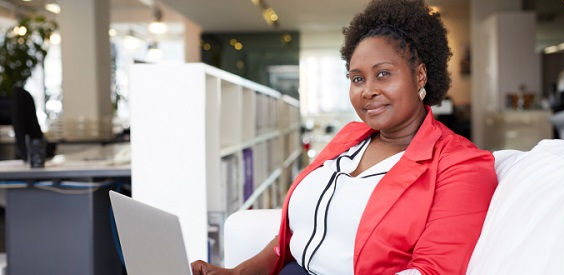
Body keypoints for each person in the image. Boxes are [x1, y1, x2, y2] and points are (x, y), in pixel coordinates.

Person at [192, 0, 497, 274]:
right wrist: (237, 273)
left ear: (420, 75)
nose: (368, 90)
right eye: (357, 78)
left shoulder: (461, 165)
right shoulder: (352, 138)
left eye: (383, 73)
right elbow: (298, 230)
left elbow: (434, 270)